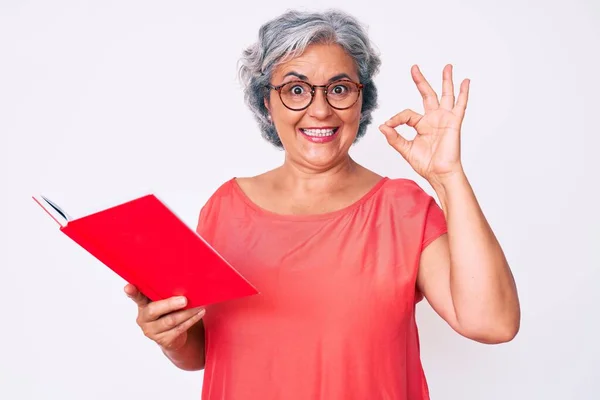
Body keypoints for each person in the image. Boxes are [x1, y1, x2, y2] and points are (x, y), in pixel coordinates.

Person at [124, 9, 520, 400]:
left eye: (339, 88)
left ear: (362, 100)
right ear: (267, 102)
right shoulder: (224, 208)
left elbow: (493, 323)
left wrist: (447, 177)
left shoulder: (404, 209)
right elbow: (205, 352)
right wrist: (170, 336)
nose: (320, 109)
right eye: (296, 90)